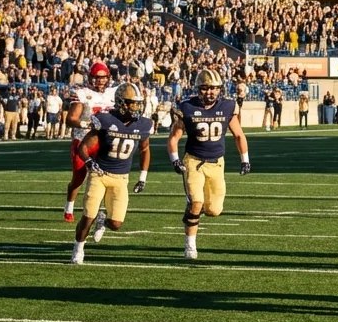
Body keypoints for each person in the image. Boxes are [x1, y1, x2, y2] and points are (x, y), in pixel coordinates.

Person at [168, 69, 249, 259]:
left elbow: (238, 134)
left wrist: (245, 159)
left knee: (213, 210)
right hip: (193, 161)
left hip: (217, 163)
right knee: (196, 202)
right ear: (198, 89)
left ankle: (191, 213)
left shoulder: (228, 106)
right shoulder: (186, 107)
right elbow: (173, 138)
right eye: (204, 89)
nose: (209, 92)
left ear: (219, 89)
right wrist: (175, 160)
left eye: (213, 89)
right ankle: (190, 245)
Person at [72, 82, 153, 265]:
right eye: (133, 103)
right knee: (87, 217)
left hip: (121, 179)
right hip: (99, 175)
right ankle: (78, 248)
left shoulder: (143, 124)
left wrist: (142, 177)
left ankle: (104, 221)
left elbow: (145, 150)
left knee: (116, 223)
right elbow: (83, 147)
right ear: (121, 103)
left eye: (138, 103)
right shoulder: (106, 120)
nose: (137, 107)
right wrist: (89, 162)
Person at [63, 62, 115, 222]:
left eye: (103, 77)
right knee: (79, 177)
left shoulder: (113, 93)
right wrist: (87, 124)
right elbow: (70, 119)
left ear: (108, 77)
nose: (100, 81)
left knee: (106, 177)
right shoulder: (82, 93)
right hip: (83, 141)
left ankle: (101, 210)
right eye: (97, 78)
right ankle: (69, 206)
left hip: (104, 142)